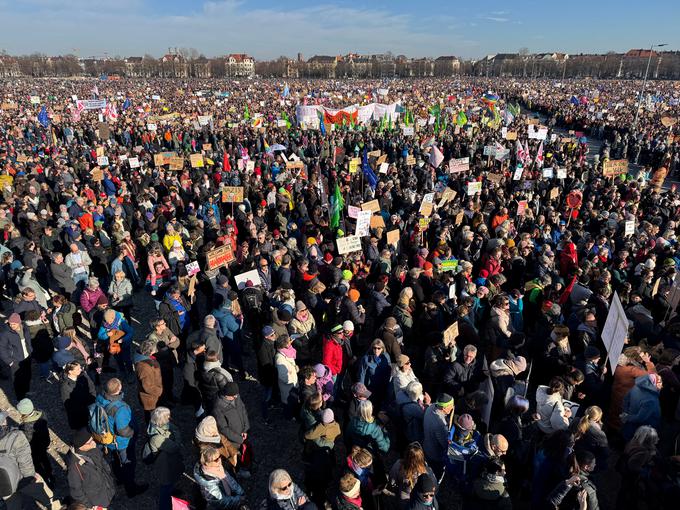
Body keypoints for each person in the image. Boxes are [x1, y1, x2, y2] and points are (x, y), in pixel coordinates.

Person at [93, 378, 148, 497]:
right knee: (128, 462)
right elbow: (123, 430)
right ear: (119, 389)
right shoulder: (120, 408)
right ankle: (131, 488)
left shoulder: (100, 398)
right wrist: (133, 433)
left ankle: (120, 478)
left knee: (115, 459)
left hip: (109, 439)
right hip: (122, 442)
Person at [144, 407, 184, 510]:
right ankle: (164, 506)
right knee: (166, 486)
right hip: (165, 465)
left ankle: (171, 493)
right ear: (162, 421)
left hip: (168, 461)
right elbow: (175, 447)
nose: (170, 418)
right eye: (168, 416)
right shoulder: (157, 438)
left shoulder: (155, 425)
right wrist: (176, 431)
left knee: (170, 482)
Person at [67, 429, 116, 510]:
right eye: (90, 442)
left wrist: (108, 471)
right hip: (97, 501)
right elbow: (76, 492)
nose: (94, 443)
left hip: (107, 488)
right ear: (81, 446)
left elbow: (102, 460)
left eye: (92, 439)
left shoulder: (92, 448)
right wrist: (89, 506)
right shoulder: (73, 467)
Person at [211, 382, 251, 477]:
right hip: (233, 440)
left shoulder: (236, 396)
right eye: (233, 396)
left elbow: (243, 410)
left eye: (237, 395)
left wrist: (245, 429)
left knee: (245, 451)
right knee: (235, 457)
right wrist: (239, 439)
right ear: (226, 395)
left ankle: (246, 464)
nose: (236, 397)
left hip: (242, 433)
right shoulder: (218, 407)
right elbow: (223, 428)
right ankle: (238, 471)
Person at [386, 442, 438, 509]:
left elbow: (392, 481)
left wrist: (396, 489)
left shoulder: (398, 465)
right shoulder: (427, 470)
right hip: (420, 500)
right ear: (421, 457)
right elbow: (435, 486)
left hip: (404, 498)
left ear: (406, 455)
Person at [16, 398, 53, 488]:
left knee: (37, 465)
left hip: (34, 450)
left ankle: (46, 481)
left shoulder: (26, 427)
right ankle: (50, 476)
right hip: (44, 444)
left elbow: (26, 441)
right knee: (45, 459)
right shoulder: (42, 414)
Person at [0, 313, 33, 399]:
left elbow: (28, 341)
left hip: (27, 357)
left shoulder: (25, 328)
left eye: (14, 324)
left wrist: (31, 351)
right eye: (10, 324)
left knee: (27, 375)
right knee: (17, 379)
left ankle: (26, 390)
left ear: (19, 323)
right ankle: (20, 397)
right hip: (15, 360)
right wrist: (10, 361)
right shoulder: (5, 333)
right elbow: (2, 349)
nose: (11, 326)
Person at [621, 373, 662, 440]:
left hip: (630, 425)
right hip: (643, 430)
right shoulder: (650, 399)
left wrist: (625, 413)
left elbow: (626, 400)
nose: (661, 385)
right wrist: (627, 417)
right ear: (652, 382)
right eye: (659, 382)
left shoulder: (636, 387)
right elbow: (641, 418)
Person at [423, 393, 455, 479]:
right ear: (444, 408)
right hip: (435, 454)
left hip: (426, 445)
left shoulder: (431, 407)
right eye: (451, 406)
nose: (452, 408)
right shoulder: (440, 424)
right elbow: (444, 444)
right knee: (435, 473)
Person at [60, 360, 96, 429]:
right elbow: (68, 404)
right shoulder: (65, 386)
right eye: (78, 369)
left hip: (90, 406)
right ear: (70, 372)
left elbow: (92, 387)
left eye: (80, 367)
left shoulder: (83, 375)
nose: (81, 369)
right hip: (79, 414)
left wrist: (93, 400)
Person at [134, 339, 164, 422]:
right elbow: (147, 386)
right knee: (151, 416)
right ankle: (151, 431)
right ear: (150, 351)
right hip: (150, 399)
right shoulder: (144, 367)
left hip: (151, 396)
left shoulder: (143, 359)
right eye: (155, 349)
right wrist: (159, 391)